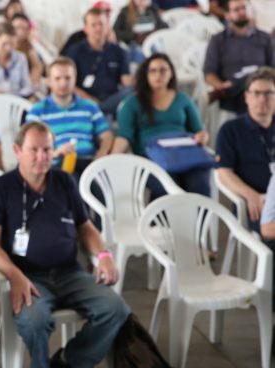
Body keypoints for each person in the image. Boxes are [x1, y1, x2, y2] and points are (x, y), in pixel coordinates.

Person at [0, 121, 131, 368]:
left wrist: (104, 256)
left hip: (69, 273)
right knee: (34, 320)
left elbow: (86, 228)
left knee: (115, 308)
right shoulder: (1, 188)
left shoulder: (63, 181)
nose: (42, 156)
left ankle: (69, 364)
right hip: (28, 277)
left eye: (47, 150)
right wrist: (14, 275)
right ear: (17, 150)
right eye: (34, 150)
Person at [112, 53, 210, 197]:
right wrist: (111, 160)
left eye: (163, 70)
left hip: (184, 153)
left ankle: (198, 213)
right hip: (151, 157)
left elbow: (199, 131)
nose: (158, 75)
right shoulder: (132, 103)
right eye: (153, 71)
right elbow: (124, 136)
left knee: (200, 185)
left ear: (171, 73)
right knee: (167, 187)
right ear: (145, 75)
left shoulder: (183, 99)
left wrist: (202, 137)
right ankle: (160, 213)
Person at [26, 56, 112, 176]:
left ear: (75, 79)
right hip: (55, 165)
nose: (63, 83)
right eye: (57, 78)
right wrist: (55, 153)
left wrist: (100, 156)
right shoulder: (37, 110)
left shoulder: (90, 106)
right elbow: (29, 146)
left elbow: (106, 136)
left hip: (88, 163)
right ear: (49, 81)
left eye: (67, 78)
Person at [216, 67, 275, 233]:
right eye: (256, 93)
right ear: (247, 97)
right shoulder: (230, 130)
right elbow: (224, 172)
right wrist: (250, 195)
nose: (262, 99)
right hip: (255, 202)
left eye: (269, 93)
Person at [204, 0, 275, 114]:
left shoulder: (265, 38)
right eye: (237, 10)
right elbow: (209, 73)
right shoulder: (218, 40)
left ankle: (233, 90)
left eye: (244, 8)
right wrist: (220, 85)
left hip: (262, 88)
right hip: (233, 95)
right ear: (227, 15)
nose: (242, 12)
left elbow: (273, 68)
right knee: (248, 92)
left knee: (252, 81)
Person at [63, 7, 132, 118]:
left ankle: (100, 110)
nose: (98, 29)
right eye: (94, 25)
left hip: (112, 98)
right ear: (86, 29)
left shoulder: (119, 51)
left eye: (101, 24)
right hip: (85, 100)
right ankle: (101, 110)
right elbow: (69, 84)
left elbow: (126, 81)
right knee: (106, 117)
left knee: (133, 90)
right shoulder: (74, 51)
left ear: (107, 26)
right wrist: (90, 100)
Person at [113, 0, 167, 65]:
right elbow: (116, 31)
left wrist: (153, 32)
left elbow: (164, 26)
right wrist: (135, 36)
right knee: (138, 52)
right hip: (134, 43)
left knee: (157, 50)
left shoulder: (153, 9)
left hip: (151, 40)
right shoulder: (125, 11)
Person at [10, 13, 43, 92]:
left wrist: (30, 83)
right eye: (17, 27)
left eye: (24, 29)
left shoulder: (29, 48)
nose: (20, 32)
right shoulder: (3, 44)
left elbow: (37, 67)